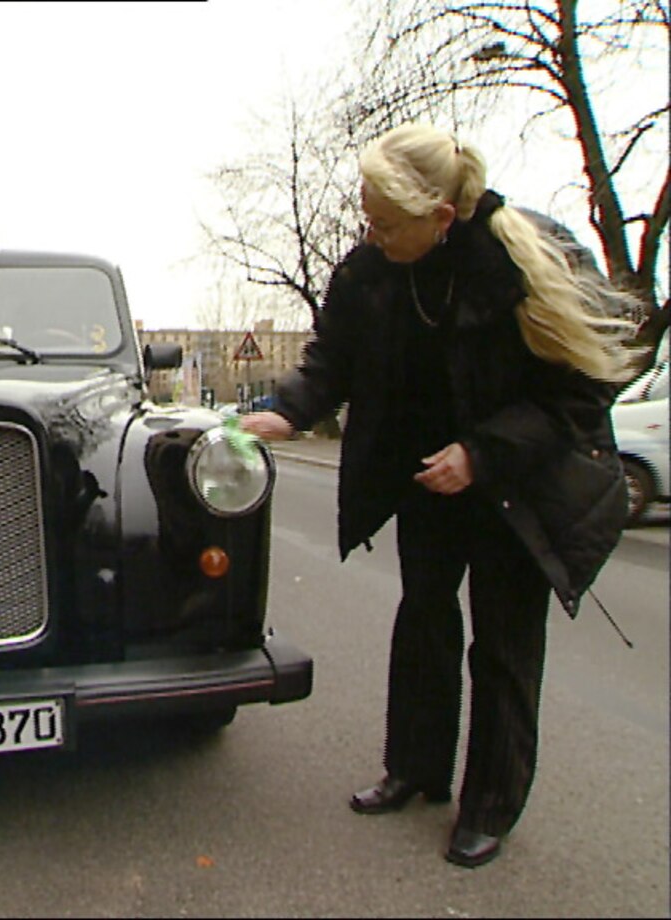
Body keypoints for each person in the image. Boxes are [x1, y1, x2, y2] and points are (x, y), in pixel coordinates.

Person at [241, 122, 642, 868]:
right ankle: (414, 771)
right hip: (427, 480)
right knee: (423, 623)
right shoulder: (372, 269)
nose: (372, 234)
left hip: (513, 486)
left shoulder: (523, 261)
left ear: (441, 218)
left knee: (504, 647)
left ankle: (488, 805)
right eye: (368, 218)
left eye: (386, 223)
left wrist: (481, 454)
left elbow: (578, 398)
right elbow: (334, 357)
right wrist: (290, 409)